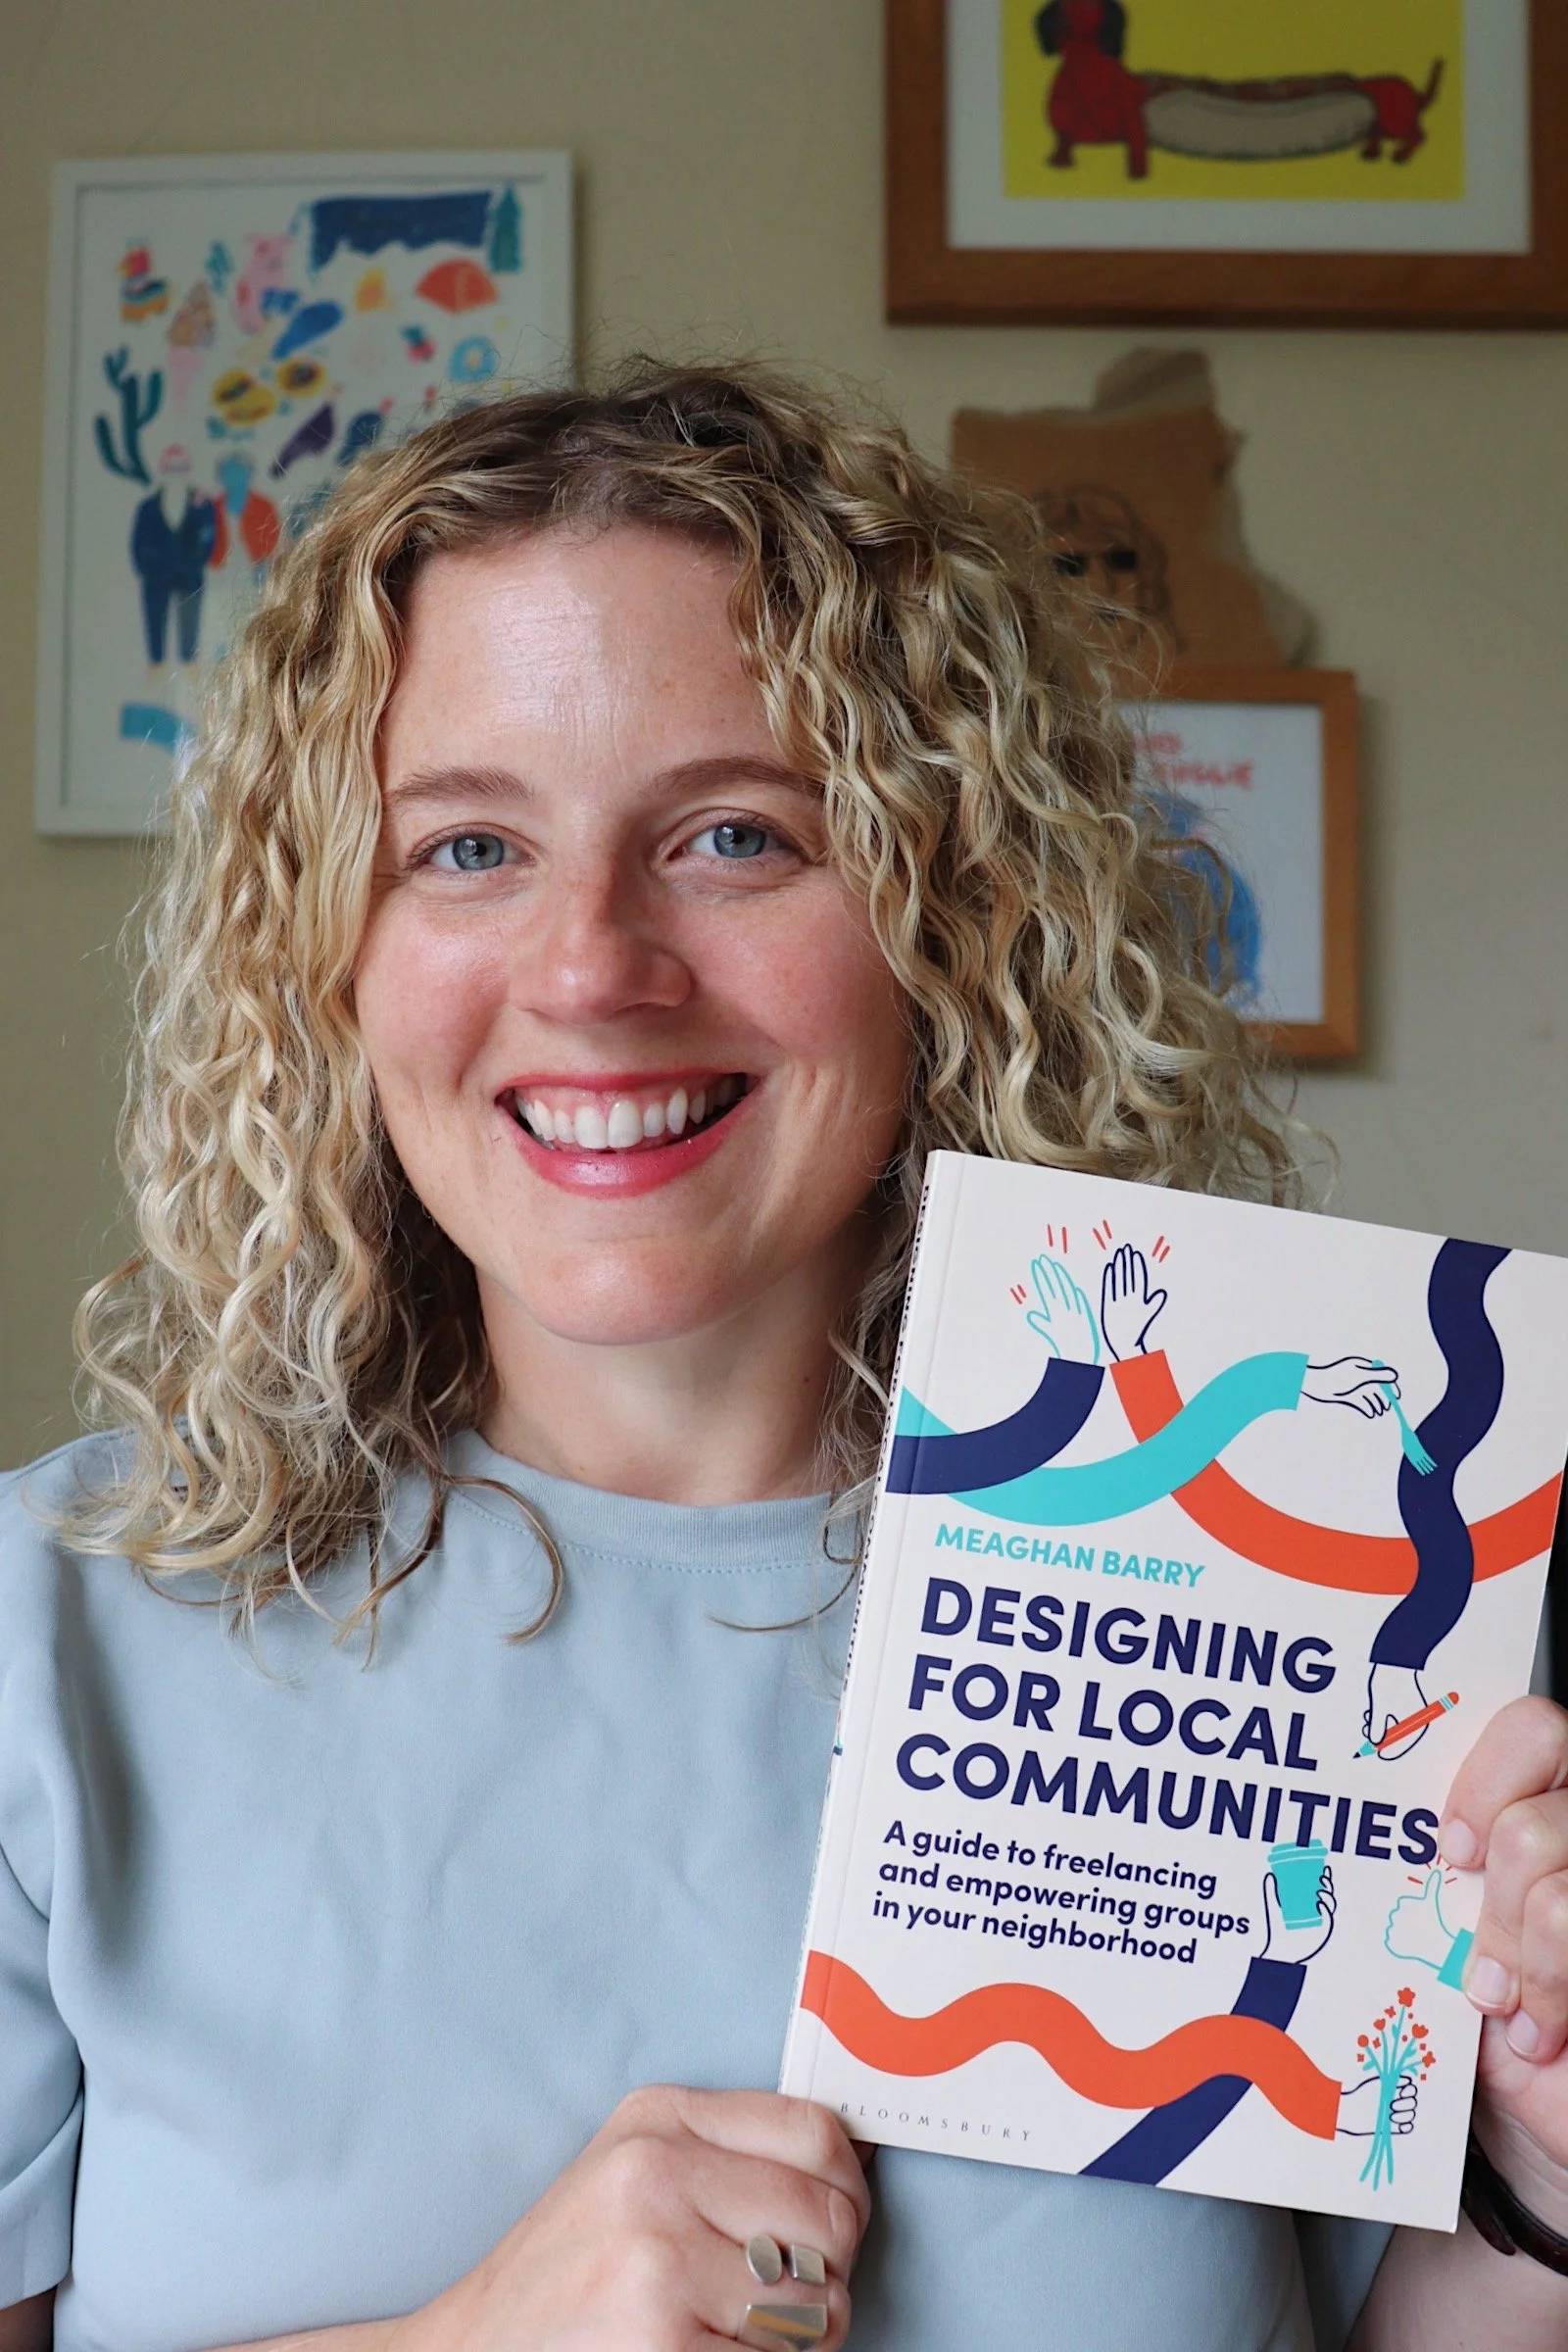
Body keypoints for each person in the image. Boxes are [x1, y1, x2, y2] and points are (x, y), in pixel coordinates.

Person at [1, 362, 1565, 2352]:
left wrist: (1533, 2177)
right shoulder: (44, 1649)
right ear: (325, 952)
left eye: (734, 836)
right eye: (465, 849)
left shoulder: (1290, 1585)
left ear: (957, 912)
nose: (588, 970)